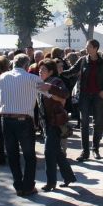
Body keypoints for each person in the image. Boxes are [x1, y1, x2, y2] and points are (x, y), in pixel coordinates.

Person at [0, 53, 52, 196]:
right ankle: (28, 186)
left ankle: (18, 185)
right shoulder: (32, 78)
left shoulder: (1, 77)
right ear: (26, 65)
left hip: (6, 120)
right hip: (24, 120)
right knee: (29, 155)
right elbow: (48, 94)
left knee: (12, 154)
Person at [60, 39, 103, 161]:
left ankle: (95, 148)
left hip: (98, 96)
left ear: (95, 48)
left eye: (88, 46)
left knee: (98, 122)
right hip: (84, 96)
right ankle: (85, 151)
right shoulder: (83, 60)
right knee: (84, 123)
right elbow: (71, 71)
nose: (86, 48)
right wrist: (59, 72)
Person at [37, 59, 76, 192]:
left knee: (49, 153)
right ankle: (69, 177)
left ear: (51, 71)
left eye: (43, 70)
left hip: (55, 122)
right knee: (57, 152)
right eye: (40, 70)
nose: (40, 72)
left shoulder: (55, 81)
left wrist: (50, 88)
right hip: (46, 122)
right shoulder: (41, 83)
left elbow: (65, 94)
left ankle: (51, 182)